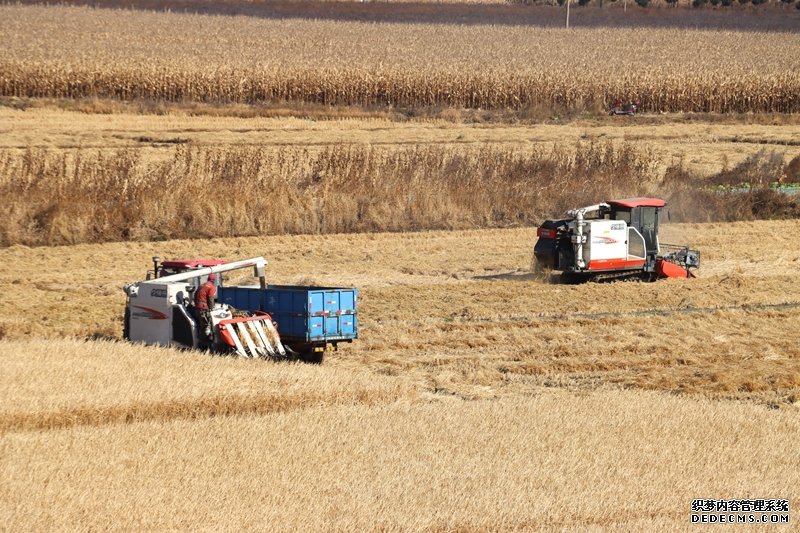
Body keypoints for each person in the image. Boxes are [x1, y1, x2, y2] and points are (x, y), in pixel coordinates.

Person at [194, 273, 217, 346]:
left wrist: (196, 305)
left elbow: (195, 295)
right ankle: (204, 344)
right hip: (203, 309)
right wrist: (212, 308)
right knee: (206, 325)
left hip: (198, 308)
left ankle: (199, 340)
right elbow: (210, 299)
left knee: (200, 325)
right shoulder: (211, 287)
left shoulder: (201, 285)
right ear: (214, 280)